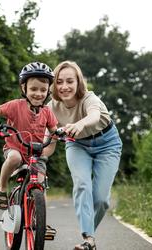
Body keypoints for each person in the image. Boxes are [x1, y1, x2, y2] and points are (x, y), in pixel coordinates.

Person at [44, 60, 122, 250]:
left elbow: (94, 116)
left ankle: (90, 237)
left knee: (101, 200)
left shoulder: (90, 99)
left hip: (107, 144)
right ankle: (88, 239)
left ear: (78, 82)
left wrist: (79, 124)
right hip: (76, 145)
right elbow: (50, 140)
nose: (64, 87)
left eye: (70, 81)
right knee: (82, 185)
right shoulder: (51, 107)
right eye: (60, 82)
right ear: (54, 85)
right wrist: (38, 158)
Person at [0, 61, 58, 238]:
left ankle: (40, 221)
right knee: (15, 158)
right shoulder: (15, 105)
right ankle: (1, 187)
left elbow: (55, 130)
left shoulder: (47, 112)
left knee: (40, 183)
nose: (38, 93)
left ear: (48, 91)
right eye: (33, 89)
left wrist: (63, 133)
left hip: (35, 154)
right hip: (15, 148)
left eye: (42, 89)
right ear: (24, 88)